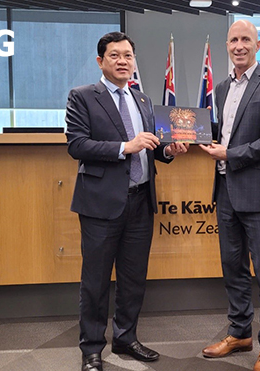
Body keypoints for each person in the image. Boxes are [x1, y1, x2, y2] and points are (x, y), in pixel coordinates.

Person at [65, 32, 188, 371]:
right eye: (115, 55)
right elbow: (77, 145)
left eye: (128, 55)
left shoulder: (144, 100)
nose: (123, 61)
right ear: (100, 60)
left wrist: (169, 150)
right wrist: (124, 147)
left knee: (133, 278)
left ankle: (126, 337)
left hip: (140, 202)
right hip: (100, 205)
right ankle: (91, 348)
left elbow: (153, 147)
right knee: (96, 280)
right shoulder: (83, 97)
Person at [199, 20, 260, 371]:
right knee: (232, 268)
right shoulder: (221, 88)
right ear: (227, 44)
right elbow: (222, 132)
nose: (239, 45)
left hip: (259, 194)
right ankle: (239, 332)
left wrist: (229, 154)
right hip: (225, 193)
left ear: (258, 45)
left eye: (246, 40)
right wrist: (189, 137)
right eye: (234, 39)